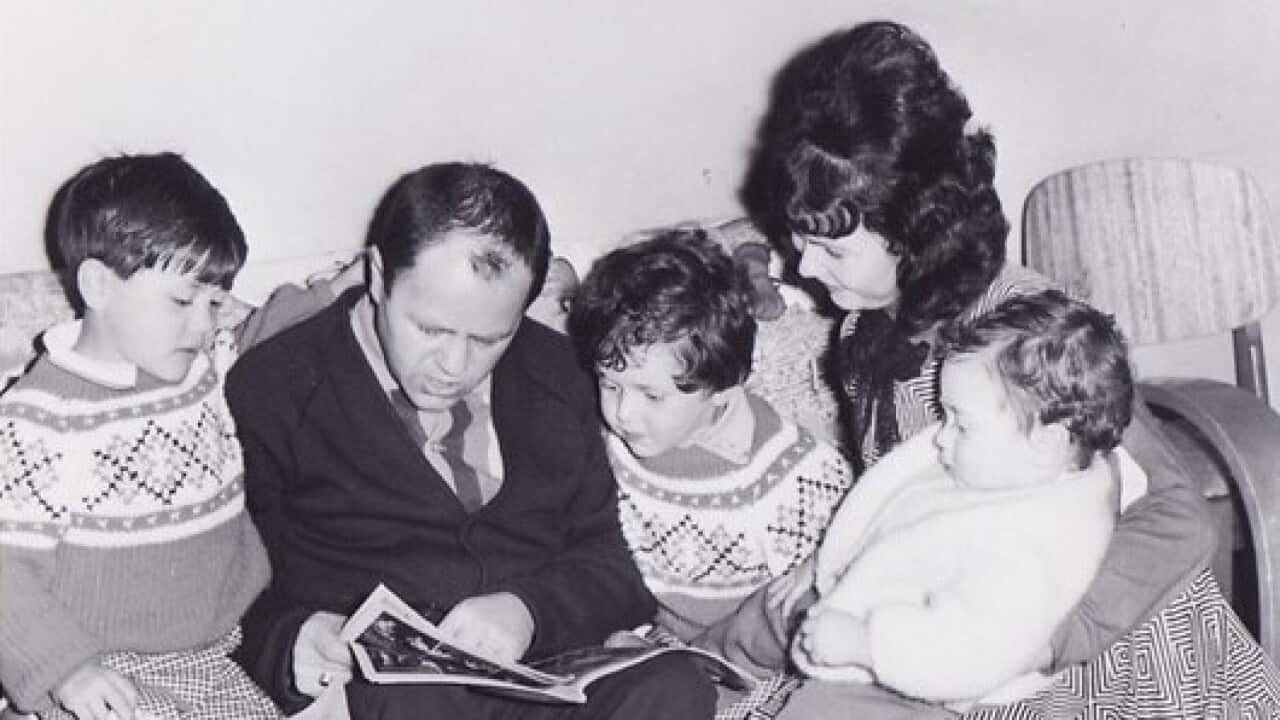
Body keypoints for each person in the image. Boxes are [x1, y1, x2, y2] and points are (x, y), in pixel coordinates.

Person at [732, 19, 1276, 718]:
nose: (803, 270)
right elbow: (913, 489)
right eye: (798, 244)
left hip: (1082, 639)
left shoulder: (1024, 335)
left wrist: (1045, 641)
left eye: (832, 253)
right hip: (956, 606)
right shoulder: (867, 327)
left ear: (914, 231)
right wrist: (846, 555)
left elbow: (1177, 520)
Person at [225, 162, 716, 719]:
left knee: (675, 684)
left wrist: (527, 610)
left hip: (541, 672)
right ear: (380, 277)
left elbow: (613, 564)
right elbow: (229, 585)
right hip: (396, 694)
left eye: (489, 338)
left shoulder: (561, 374)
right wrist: (292, 641)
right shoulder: (277, 386)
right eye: (431, 330)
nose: (454, 366)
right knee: (408, 696)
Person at [0, 152, 331, 720]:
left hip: (217, 661)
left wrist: (331, 292)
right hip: (102, 675)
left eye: (214, 301)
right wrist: (65, 670)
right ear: (99, 285)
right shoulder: (40, 420)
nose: (204, 324)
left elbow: (257, 341)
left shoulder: (198, 367)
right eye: (182, 301)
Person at [789, 291, 1140, 716]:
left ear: (1046, 444)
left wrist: (863, 643)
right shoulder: (1011, 468)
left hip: (925, 689)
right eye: (945, 417)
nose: (940, 436)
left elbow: (972, 650)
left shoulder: (1024, 544)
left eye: (962, 424)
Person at [566, 230, 854, 704]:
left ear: (720, 391)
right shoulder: (608, 440)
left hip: (744, 660)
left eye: (651, 395)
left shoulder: (793, 476)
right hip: (650, 649)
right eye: (610, 384)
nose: (623, 413)